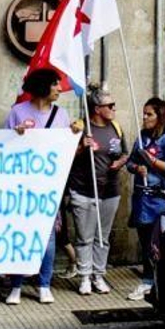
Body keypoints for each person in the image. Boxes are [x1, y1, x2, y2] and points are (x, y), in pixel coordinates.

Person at [5, 68, 79, 304]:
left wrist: (76, 136)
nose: (60, 88)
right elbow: (3, 147)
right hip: (21, 186)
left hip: (49, 186)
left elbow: (67, 152)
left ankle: (44, 284)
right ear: (43, 87)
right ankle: (16, 284)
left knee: (47, 238)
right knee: (20, 235)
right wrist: (15, 135)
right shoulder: (17, 112)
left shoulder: (62, 115)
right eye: (56, 84)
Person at [67, 87, 126, 296]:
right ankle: (84, 276)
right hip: (84, 189)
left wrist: (121, 161)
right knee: (85, 236)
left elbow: (124, 153)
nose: (113, 109)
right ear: (97, 109)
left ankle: (98, 275)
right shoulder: (81, 127)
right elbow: (66, 156)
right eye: (109, 106)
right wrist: (82, 146)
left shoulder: (116, 127)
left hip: (110, 189)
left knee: (103, 235)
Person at [126, 98, 165, 302]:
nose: (145, 117)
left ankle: (159, 281)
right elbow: (130, 162)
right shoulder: (142, 136)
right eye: (144, 113)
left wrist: (151, 161)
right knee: (145, 242)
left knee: (158, 243)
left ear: (160, 116)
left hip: (160, 199)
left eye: (149, 114)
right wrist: (136, 167)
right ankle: (148, 280)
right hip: (142, 197)